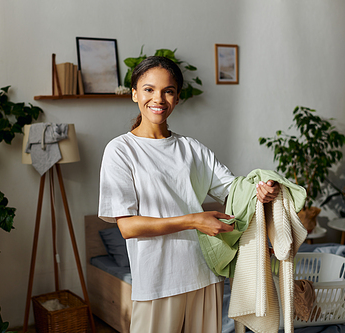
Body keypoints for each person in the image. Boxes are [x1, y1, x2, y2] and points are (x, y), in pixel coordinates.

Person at [98, 56, 279, 333]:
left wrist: (262, 190)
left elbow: (235, 190)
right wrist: (194, 220)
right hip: (158, 281)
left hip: (205, 275)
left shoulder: (192, 149)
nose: (158, 98)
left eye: (168, 91)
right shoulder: (121, 150)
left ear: (177, 97)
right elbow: (127, 226)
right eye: (148, 89)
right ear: (134, 93)